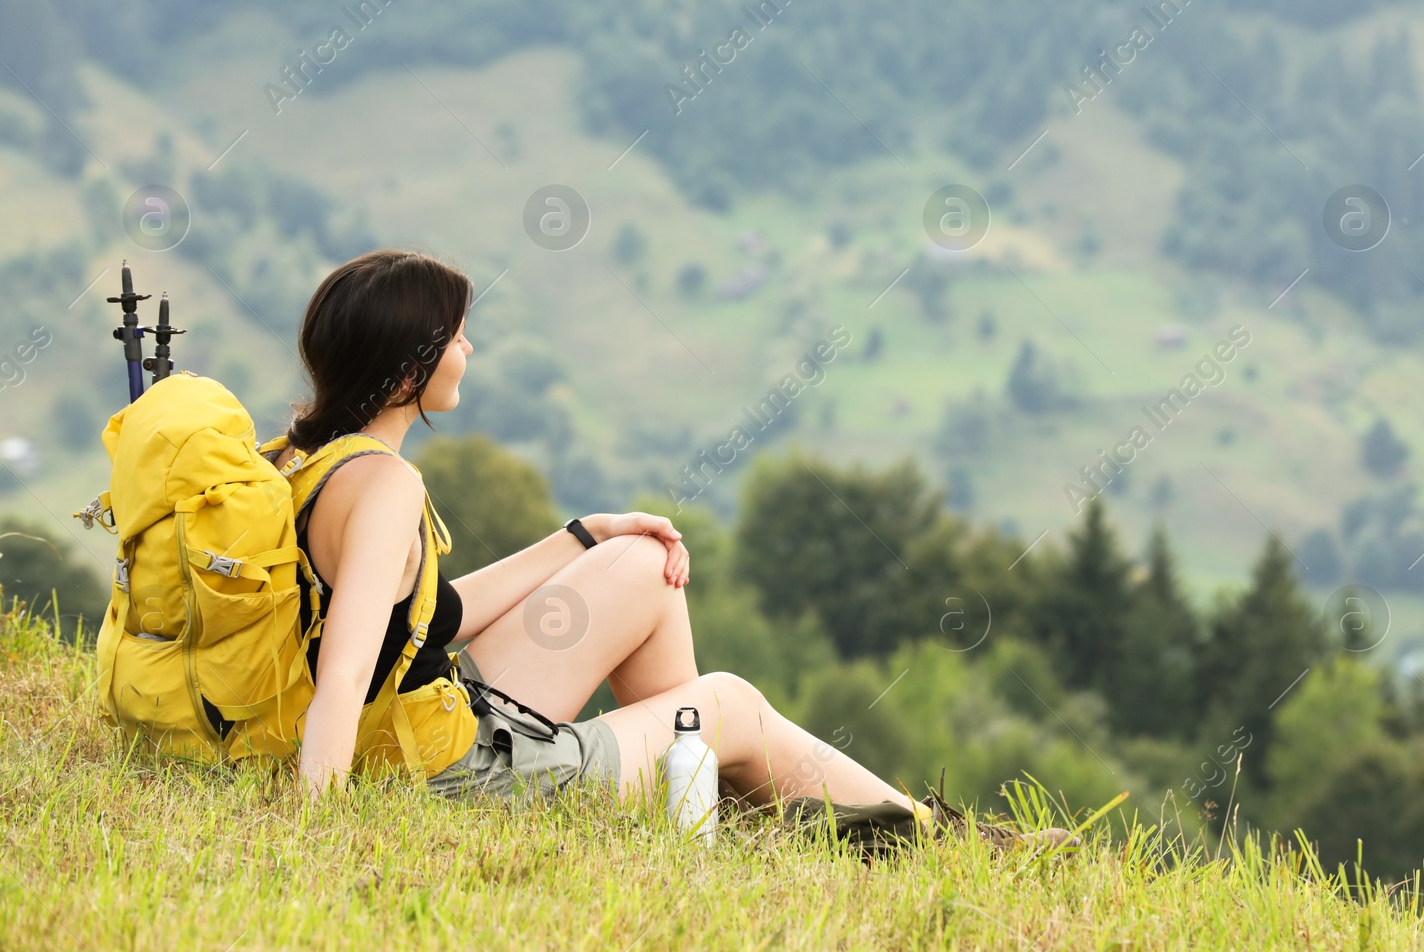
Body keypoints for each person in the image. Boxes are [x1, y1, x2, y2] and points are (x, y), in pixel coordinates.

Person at [282, 247, 1071, 853]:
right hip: (460, 779)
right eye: (456, 336)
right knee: (725, 701)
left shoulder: (309, 461)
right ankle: (934, 840)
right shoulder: (386, 490)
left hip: (427, 724)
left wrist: (583, 535)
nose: (470, 350)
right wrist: (319, 829)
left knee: (643, 567)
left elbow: (426, 617)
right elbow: (346, 668)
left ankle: (721, 806)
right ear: (408, 366)